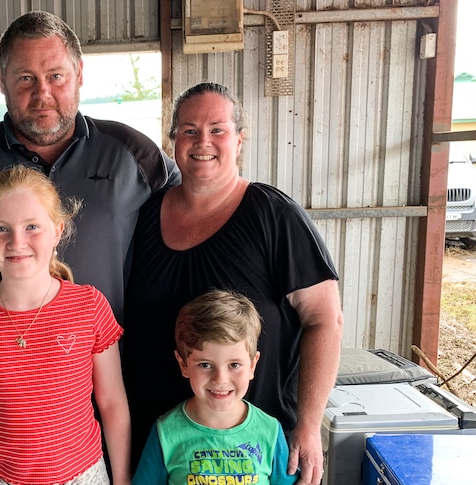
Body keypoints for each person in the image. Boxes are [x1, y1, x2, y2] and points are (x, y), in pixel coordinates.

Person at [0, 10, 179, 456]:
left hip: (108, 391)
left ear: (79, 75)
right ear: (1, 80)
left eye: (56, 75)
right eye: (25, 78)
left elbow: (189, 234)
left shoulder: (133, 155)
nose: (42, 93)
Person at [123, 82, 343, 485]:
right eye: (189, 130)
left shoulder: (273, 214)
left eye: (217, 129)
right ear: (173, 141)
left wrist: (309, 425)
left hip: (253, 454)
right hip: (164, 448)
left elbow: (324, 320)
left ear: (239, 140)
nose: (202, 141)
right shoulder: (145, 216)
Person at [0, 165, 131, 484]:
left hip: (82, 475)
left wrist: (122, 480)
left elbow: (112, 404)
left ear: (58, 231)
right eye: (0, 229)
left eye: (32, 227)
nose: (16, 241)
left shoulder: (89, 306)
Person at [133, 289, 298, 485]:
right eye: (205, 365)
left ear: (252, 365)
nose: (220, 379)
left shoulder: (270, 431)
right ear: (183, 364)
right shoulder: (166, 432)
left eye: (234, 365)